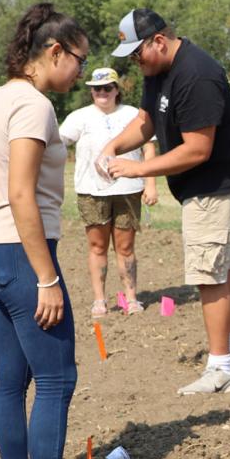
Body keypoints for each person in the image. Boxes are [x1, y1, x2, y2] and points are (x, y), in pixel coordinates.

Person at [0, 3, 109, 459]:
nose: (82, 72)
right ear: (54, 52)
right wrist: (47, 277)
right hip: (20, 255)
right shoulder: (33, 106)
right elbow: (21, 193)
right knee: (56, 378)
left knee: (11, 379)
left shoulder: (0, 97)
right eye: (79, 60)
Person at [97, 9, 230, 394]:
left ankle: (221, 369)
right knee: (223, 266)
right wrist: (114, 145)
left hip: (217, 185)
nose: (136, 62)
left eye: (138, 53)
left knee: (209, 273)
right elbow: (147, 120)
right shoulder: (158, 72)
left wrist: (138, 169)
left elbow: (197, 150)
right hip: (207, 185)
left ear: (159, 41)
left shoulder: (196, 75)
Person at [59, 66, 156, 318]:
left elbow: (148, 149)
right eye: (96, 89)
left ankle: (131, 299)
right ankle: (99, 300)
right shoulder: (78, 117)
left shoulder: (134, 114)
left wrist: (151, 183)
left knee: (125, 247)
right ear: (91, 91)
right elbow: (57, 144)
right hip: (91, 192)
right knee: (97, 246)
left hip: (129, 190)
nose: (102, 93)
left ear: (116, 90)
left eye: (107, 88)